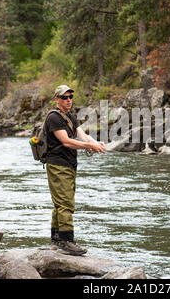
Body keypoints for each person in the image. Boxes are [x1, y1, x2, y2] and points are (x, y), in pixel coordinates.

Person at [45, 84, 106, 256]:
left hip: (69, 165)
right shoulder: (54, 118)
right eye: (64, 97)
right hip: (58, 165)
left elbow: (81, 135)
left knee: (60, 203)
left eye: (70, 97)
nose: (68, 100)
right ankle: (67, 242)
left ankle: (56, 240)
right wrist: (88, 145)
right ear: (57, 99)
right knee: (65, 203)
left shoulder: (70, 117)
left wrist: (94, 143)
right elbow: (66, 141)